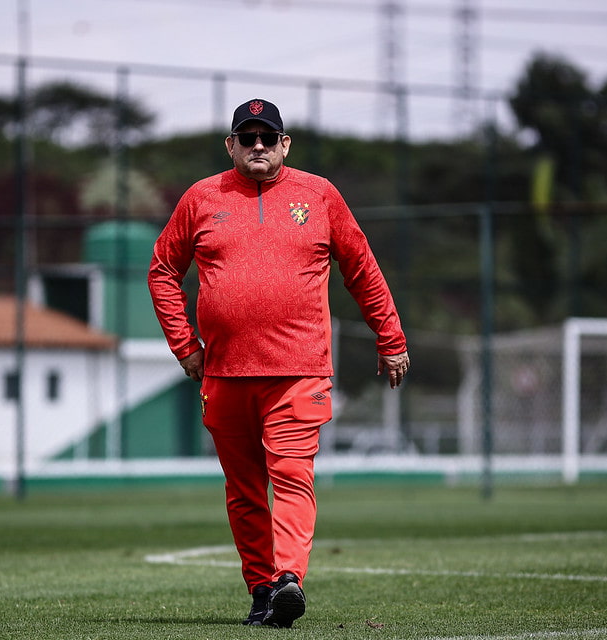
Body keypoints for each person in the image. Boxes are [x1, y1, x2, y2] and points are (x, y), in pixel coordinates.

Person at [147, 98, 409, 628]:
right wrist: (186, 347)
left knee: (291, 474)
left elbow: (361, 267)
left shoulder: (319, 194)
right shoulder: (201, 197)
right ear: (232, 145)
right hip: (223, 374)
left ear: (285, 144)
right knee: (244, 492)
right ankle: (264, 591)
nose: (259, 146)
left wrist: (391, 336)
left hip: (299, 371)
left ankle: (289, 577)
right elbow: (161, 271)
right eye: (249, 138)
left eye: (269, 138)